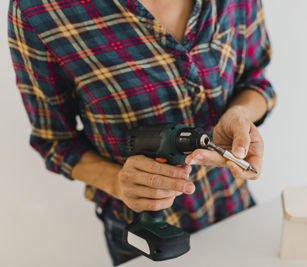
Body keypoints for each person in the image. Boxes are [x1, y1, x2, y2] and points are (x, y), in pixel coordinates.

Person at [8, 0, 276, 265]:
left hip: (235, 212)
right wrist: (120, 182)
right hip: (143, 241)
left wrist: (239, 113)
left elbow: (256, 81)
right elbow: (54, 142)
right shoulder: (39, 10)